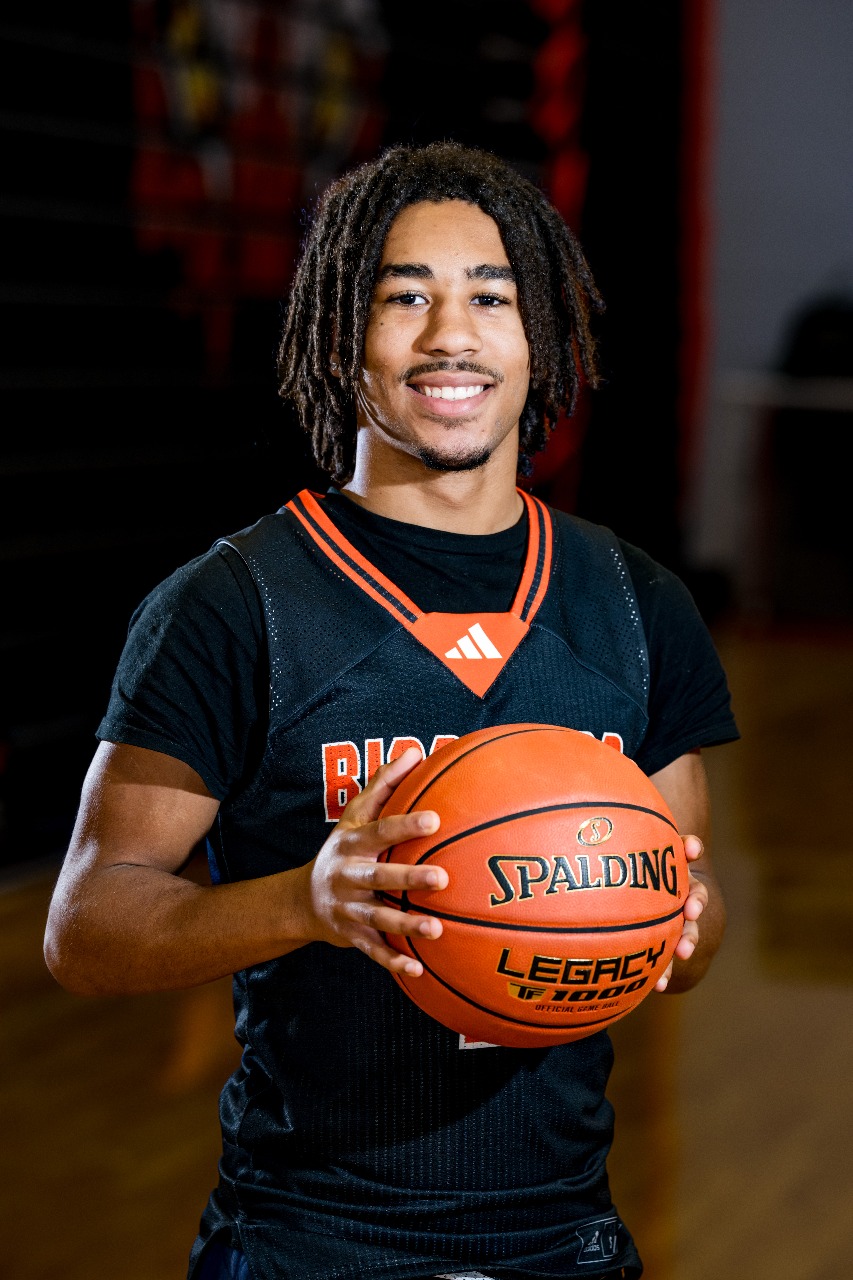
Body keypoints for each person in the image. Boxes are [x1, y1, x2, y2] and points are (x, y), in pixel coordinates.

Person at [44, 141, 738, 1280]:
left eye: (492, 298)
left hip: (564, 1238)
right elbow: (85, 926)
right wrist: (305, 900)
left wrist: (675, 925)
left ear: (539, 336)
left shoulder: (633, 602)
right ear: (339, 336)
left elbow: (690, 934)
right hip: (310, 1239)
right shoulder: (235, 605)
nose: (450, 335)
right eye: (404, 297)